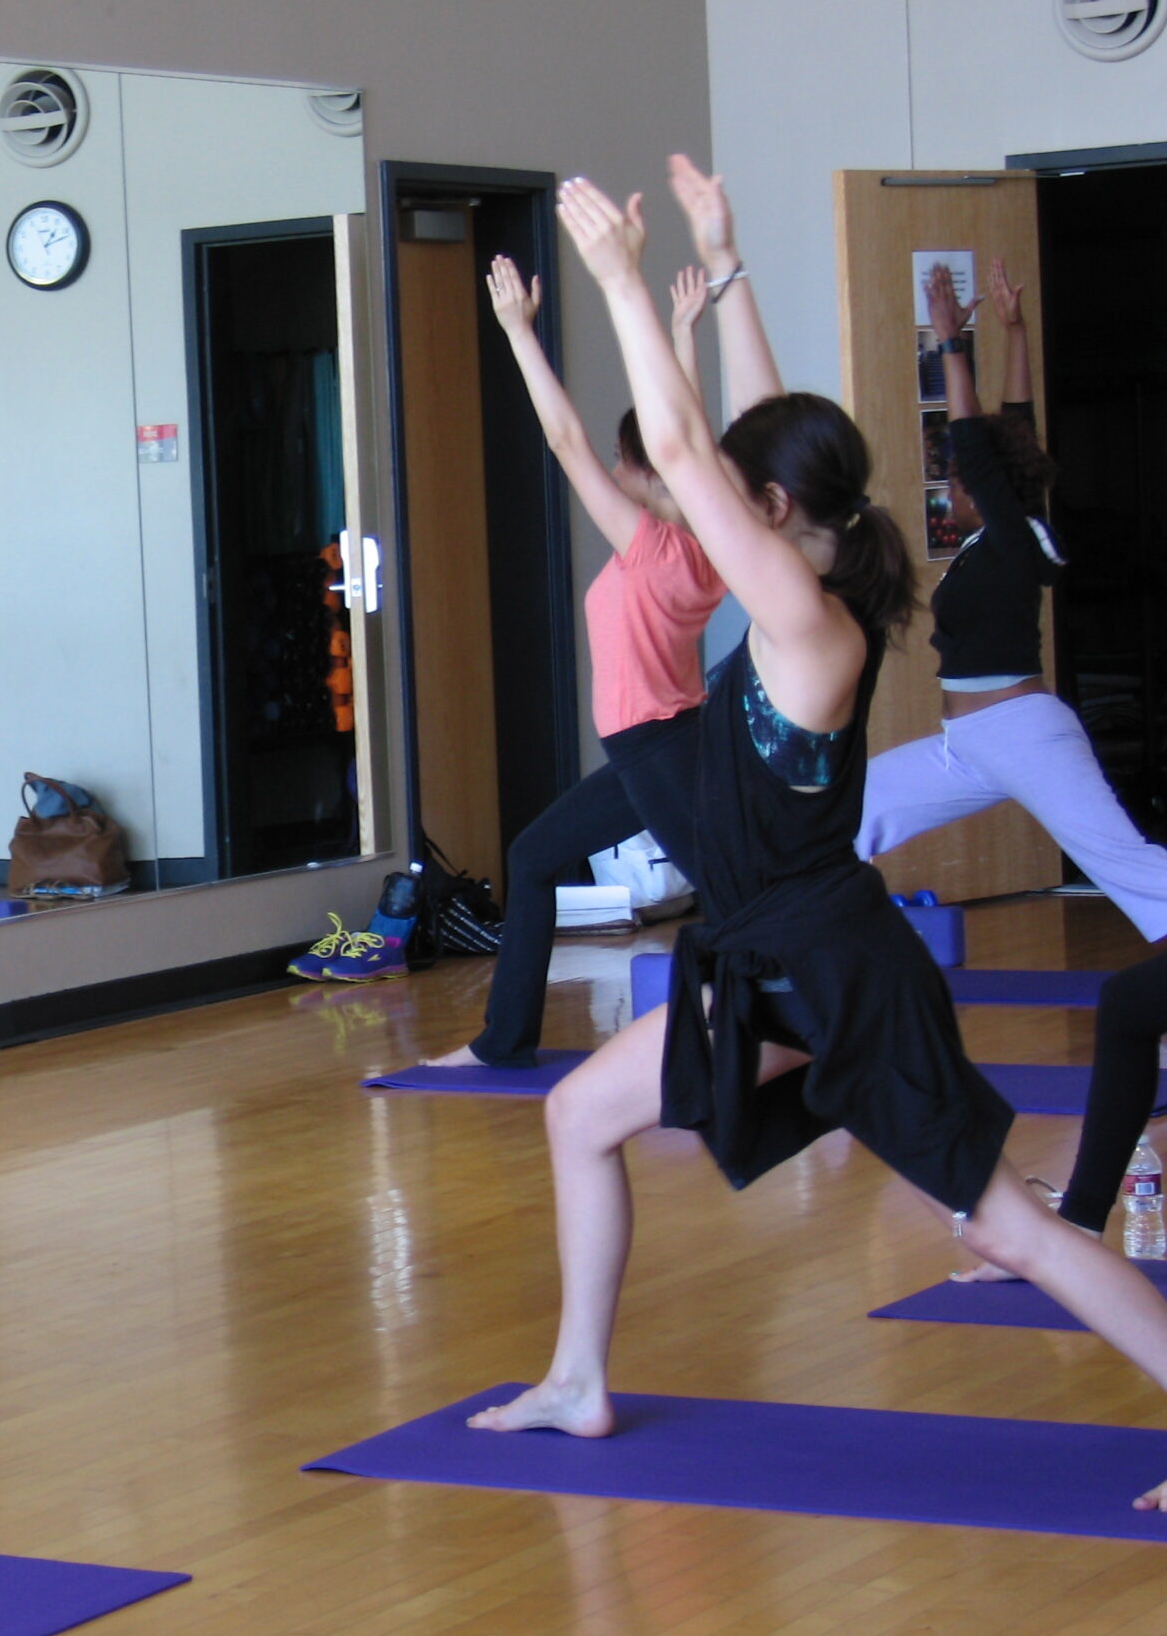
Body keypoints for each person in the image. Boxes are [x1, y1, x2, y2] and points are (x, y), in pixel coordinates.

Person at [473, 164, 1167, 1514]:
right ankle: (576, 1379)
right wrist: (721, 271)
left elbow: (691, 455)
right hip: (772, 963)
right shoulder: (815, 575)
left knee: (1006, 1228)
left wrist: (623, 281)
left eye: (743, 502)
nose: (712, 506)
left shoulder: (805, 629)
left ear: (775, 522)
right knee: (578, 1116)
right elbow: (754, 438)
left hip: (834, 975)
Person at [409, 253, 724, 1041]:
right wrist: (683, 337)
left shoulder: (655, 548)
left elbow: (563, 437)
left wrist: (518, 333)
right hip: (659, 744)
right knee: (537, 856)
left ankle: (809, 1020)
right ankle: (503, 1043)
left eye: (626, 463)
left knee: (737, 891)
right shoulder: (711, 542)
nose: (613, 472)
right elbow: (683, 441)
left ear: (646, 472)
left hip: (658, 747)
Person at [856, 259, 1167, 942]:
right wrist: (1015, 332)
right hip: (967, 746)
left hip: (1021, 736)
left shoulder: (1011, 539)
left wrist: (950, 344)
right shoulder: (1005, 540)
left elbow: (975, 438)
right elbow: (1014, 428)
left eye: (957, 484)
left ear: (984, 489)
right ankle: (810, 956)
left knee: (1129, 867)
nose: (951, 493)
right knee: (851, 813)